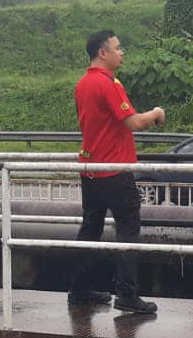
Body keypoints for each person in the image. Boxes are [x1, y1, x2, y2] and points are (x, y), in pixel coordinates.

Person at [68, 30, 166, 316]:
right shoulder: (107, 84)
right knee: (128, 228)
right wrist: (157, 113)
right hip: (114, 169)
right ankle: (126, 294)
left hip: (90, 168)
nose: (122, 52)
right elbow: (133, 122)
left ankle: (80, 290)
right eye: (118, 48)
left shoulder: (82, 84)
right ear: (103, 53)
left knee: (91, 227)